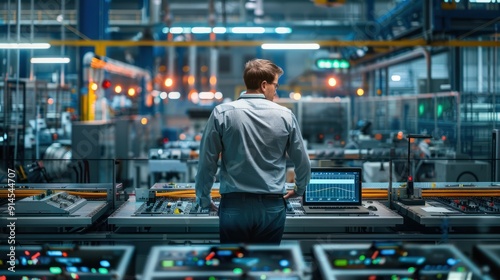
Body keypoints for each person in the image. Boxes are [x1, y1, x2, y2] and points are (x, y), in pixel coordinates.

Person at [195, 58, 311, 244]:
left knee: (234, 265)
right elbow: (302, 161)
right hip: (271, 207)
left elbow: (207, 163)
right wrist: (299, 190)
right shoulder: (285, 115)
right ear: (264, 85)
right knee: (265, 264)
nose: (276, 90)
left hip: (234, 206)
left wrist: (204, 198)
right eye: (275, 85)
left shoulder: (222, 113)